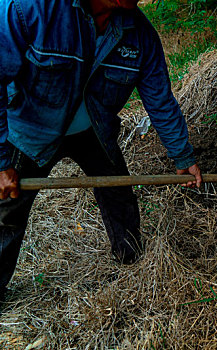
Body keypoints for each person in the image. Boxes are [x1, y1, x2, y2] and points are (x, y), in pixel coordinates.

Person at [0, 0, 202, 301]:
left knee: (118, 195)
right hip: (31, 130)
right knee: (7, 210)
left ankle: (132, 265)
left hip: (93, 130)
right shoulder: (31, 9)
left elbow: (159, 98)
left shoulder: (139, 34)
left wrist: (182, 155)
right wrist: (2, 161)